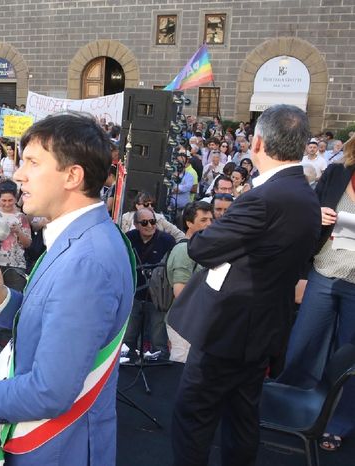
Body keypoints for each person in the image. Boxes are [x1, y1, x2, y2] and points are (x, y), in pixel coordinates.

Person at [0, 113, 134, 465]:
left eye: (32, 162)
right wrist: (0, 298)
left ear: (72, 176)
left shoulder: (86, 261)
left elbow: (51, 391)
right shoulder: (83, 237)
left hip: (58, 448)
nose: (18, 175)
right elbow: (53, 320)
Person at [168, 105, 322, 466]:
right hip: (264, 327)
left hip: (229, 329)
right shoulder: (306, 196)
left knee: (193, 417)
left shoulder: (263, 199)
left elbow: (200, 247)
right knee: (242, 417)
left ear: (257, 142)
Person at [277, 135, 355, 452]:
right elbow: (306, 214)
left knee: (348, 358)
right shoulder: (337, 172)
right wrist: (317, 214)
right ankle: (288, 407)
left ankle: (338, 423)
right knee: (303, 344)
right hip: (322, 273)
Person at [123, 207, 176, 360]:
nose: (150, 225)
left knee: (158, 337)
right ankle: (127, 360)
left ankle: (158, 363)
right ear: (136, 224)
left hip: (158, 297)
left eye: (152, 221)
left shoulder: (167, 240)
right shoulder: (129, 239)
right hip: (134, 294)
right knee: (128, 335)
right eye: (144, 222)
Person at [165, 201, 213, 363]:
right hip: (184, 323)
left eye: (211, 219)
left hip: (194, 322)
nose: (209, 224)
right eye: (203, 220)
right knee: (182, 367)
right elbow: (180, 293)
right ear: (189, 223)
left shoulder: (198, 248)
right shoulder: (184, 251)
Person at [0, 180, 32, 274]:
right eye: (4, 200)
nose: (7, 204)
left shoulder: (21, 217)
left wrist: (18, 232)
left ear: (15, 199)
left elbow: (27, 244)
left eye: (10, 200)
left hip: (16, 265)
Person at [121, 192, 185, 242]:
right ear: (137, 206)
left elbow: (179, 234)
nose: (150, 207)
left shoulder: (159, 219)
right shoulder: (126, 217)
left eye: (152, 204)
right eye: (146, 204)